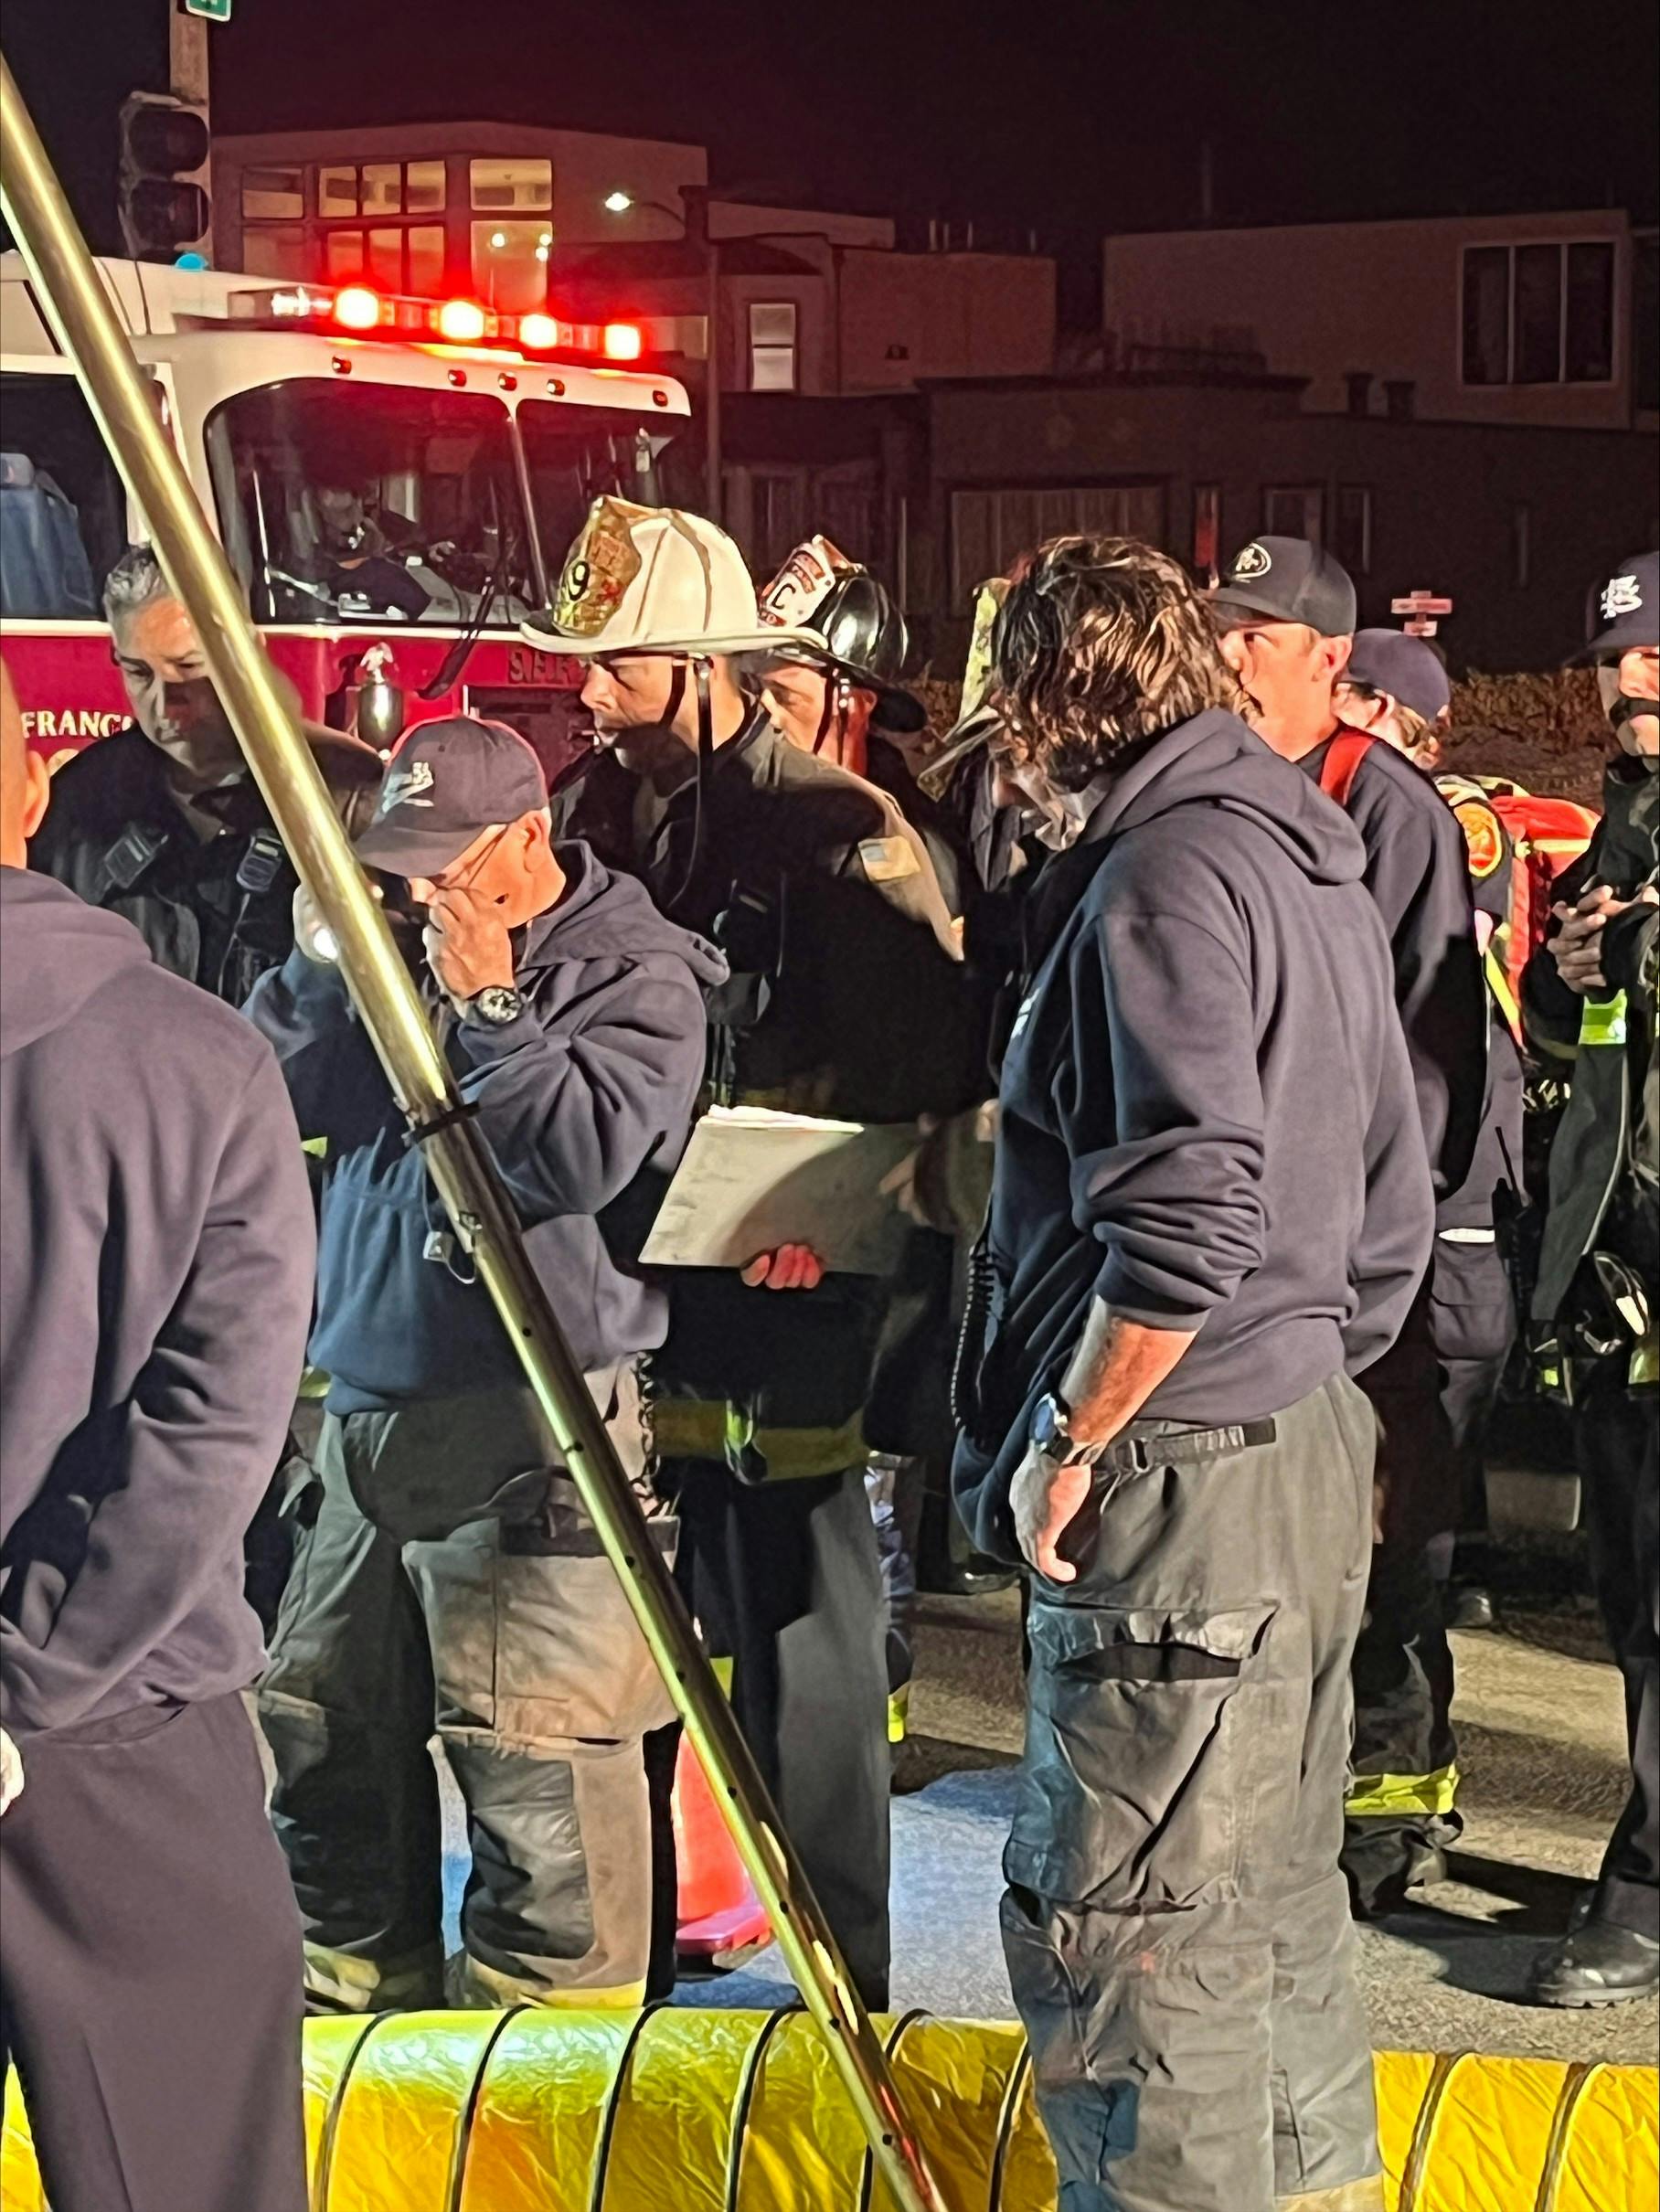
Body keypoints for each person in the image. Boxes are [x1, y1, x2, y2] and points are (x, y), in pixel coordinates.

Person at [951, 538, 1431, 2212]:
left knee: (1140, 1954)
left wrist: (1078, 1433)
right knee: (1275, 1922)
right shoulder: (1306, 858)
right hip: (1297, 1441)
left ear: (1038, 700)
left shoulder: (1160, 878)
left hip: (1184, 1467)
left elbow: (1186, 1208)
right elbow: (1393, 1186)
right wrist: (1307, 1371)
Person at [536, 498, 980, 2005]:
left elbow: (925, 1076)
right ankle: (663, 1933)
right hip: (624, 1278)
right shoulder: (595, 813)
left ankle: (841, 1967)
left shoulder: (838, 833)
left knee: (804, 1624)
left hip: (788, 1285)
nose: (588, 692)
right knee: (653, 1626)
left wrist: (820, 1234)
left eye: (618, 665)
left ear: (703, 661)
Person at [245, 714, 718, 2012]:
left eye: (447, 862)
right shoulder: (389, 938)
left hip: (535, 1434)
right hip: (366, 1424)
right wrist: (317, 963)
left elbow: (575, 1159)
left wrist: (491, 1006)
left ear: (528, 839)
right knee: (325, 1754)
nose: (419, 890)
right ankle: (352, 2065)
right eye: (399, 864)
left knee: (542, 1797)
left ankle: (553, 2118)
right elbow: (267, 1096)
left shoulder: (635, 971)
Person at [0, 656, 315, 2211]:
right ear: (30, 789)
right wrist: (36, 1674)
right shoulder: (200, 1061)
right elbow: (212, 1435)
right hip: (116, 1720)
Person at [1210, 537, 1487, 1918]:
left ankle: (1391, 1809)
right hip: (1260, 1260)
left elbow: (1427, 1061)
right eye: (1222, 631)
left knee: (1384, 1545)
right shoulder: (1224, 801)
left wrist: (1371, 1245)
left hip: (1358, 1260)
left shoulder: (1389, 813)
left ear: (1328, 661)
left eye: (1256, 638)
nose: (1228, 658)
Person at [1524, 550, 1659, 2007]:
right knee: (1631, 1595)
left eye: (1659, 661)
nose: (1632, 684)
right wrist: (1573, 971)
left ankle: (1646, 1890)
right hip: (1621, 1268)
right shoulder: (1621, 826)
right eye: (1617, 659)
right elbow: (1579, 1044)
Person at [1342, 630, 1523, 1631]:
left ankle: (1409, 1712)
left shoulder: (1443, 819)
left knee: (1420, 1421)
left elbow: (1437, 981)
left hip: (1446, 1178)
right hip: (1410, 1172)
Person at [30, 542, 382, 1005]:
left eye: (189, 667)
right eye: (138, 672)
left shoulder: (345, 794)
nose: (164, 703)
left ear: (249, 653)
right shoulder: (77, 805)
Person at [742, 535, 971, 919]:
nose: (764, 716)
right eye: (751, 690)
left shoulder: (918, 850)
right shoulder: (734, 816)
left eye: (784, 696)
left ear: (857, 705)